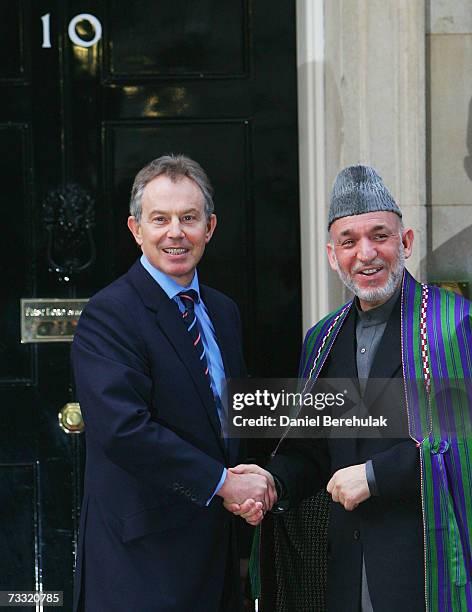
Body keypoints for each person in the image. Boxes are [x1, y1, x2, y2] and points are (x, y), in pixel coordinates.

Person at [227, 165, 472, 611]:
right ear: (331, 254)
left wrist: (375, 476)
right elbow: (313, 449)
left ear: (406, 242)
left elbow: (462, 443)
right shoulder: (322, 340)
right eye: (348, 241)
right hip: (342, 573)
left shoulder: (452, 325)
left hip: (426, 571)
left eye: (380, 236)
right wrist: (273, 480)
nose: (366, 254)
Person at [71, 154, 275, 612]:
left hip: (215, 556)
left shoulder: (223, 311)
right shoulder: (110, 314)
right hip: (142, 567)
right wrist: (224, 484)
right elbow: (125, 430)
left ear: (211, 226)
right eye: (159, 219)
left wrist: (265, 477)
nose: (175, 233)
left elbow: (231, 416)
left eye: (189, 218)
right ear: (135, 229)